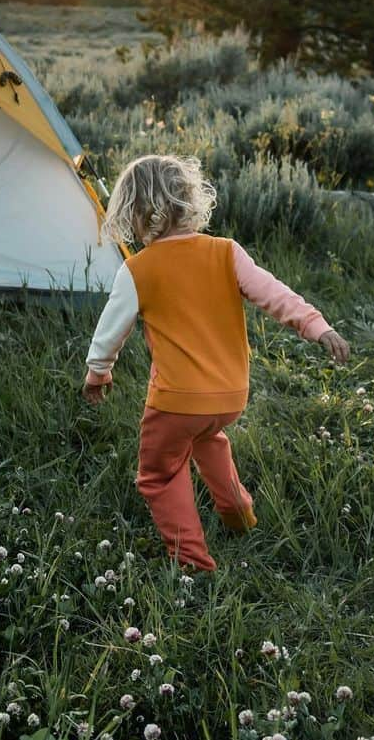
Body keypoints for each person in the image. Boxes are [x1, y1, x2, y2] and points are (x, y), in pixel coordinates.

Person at [83, 154, 350, 571]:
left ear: (136, 213)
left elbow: (108, 333)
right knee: (208, 438)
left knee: (159, 474)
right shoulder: (226, 252)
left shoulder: (137, 270)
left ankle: (191, 560)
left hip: (175, 401)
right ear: (188, 200)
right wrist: (318, 326)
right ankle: (239, 514)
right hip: (228, 396)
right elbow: (275, 294)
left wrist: (98, 374)